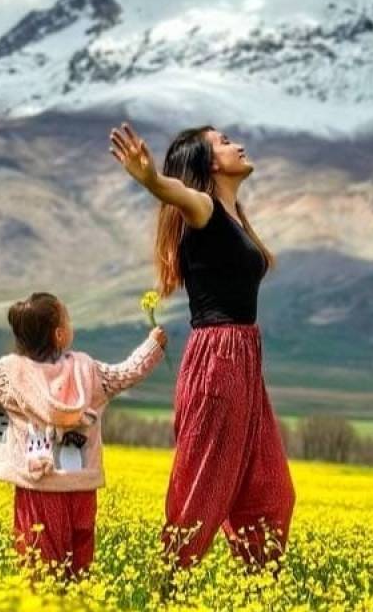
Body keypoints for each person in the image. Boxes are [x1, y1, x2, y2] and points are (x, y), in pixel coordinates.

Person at [108, 122, 296, 570]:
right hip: (218, 359)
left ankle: (259, 589)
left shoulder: (234, 216)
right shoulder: (204, 207)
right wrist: (151, 179)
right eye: (225, 143)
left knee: (272, 494)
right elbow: (174, 192)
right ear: (209, 163)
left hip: (245, 360)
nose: (238, 146)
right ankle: (169, 583)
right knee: (202, 488)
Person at [0, 291, 166, 578]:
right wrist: (153, 345)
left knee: (38, 570)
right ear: (59, 335)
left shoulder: (11, 374)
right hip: (82, 488)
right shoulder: (88, 371)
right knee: (78, 568)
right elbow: (127, 373)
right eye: (68, 319)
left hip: (37, 487)